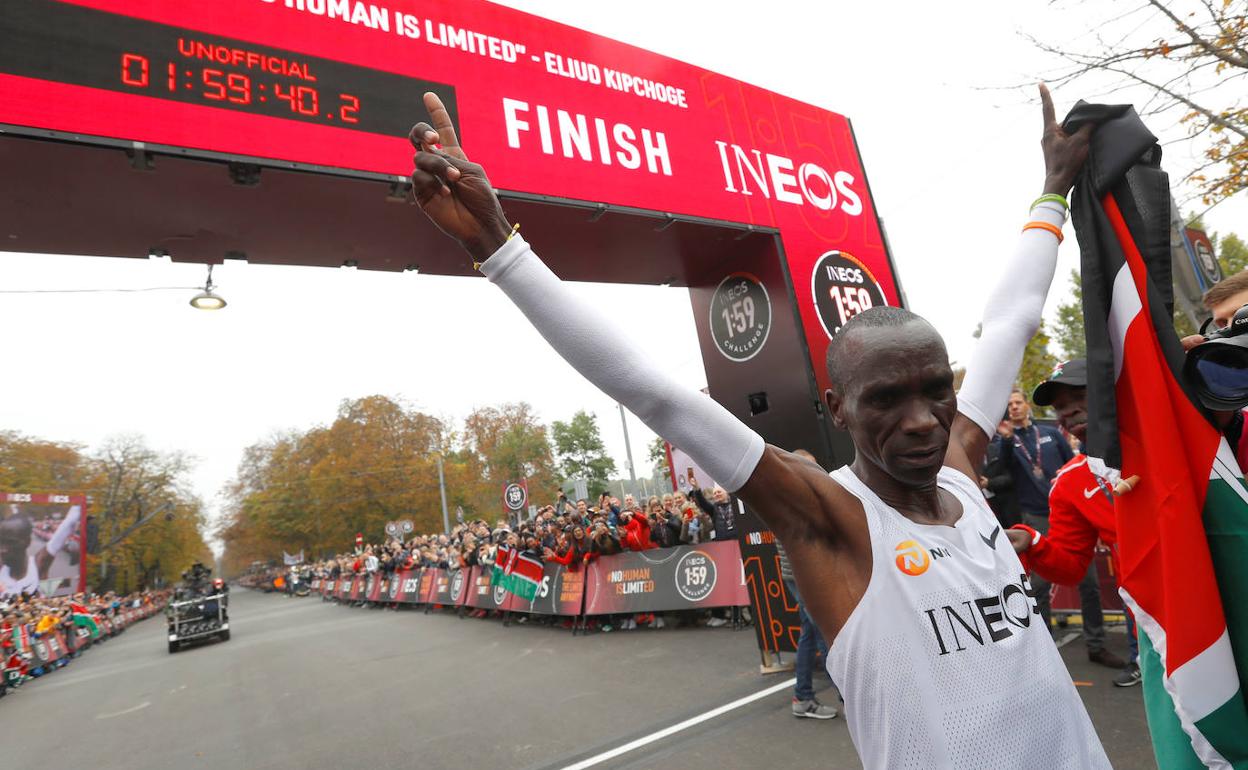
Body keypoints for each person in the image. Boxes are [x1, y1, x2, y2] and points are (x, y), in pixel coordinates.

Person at [407, 85, 1109, 767]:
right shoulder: (829, 516)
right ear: (837, 408)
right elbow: (654, 393)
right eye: (886, 400)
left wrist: (1053, 189)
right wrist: (500, 245)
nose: (922, 420)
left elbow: (1011, 321)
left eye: (935, 391)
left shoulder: (960, 469)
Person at [1008, 360, 1138, 686]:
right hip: (1154, 623)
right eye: (1060, 406)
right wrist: (1033, 542)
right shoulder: (1070, 482)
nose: (1069, 411)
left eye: (1080, 396)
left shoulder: (1166, 438)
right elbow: (1070, 568)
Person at [779, 449, 838, 720]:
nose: (814, 471)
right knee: (825, 634)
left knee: (810, 634)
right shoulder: (791, 496)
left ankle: (802, 697)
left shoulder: (790, 494)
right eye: (808, 466)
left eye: (814, 466)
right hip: (802, 575)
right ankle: (848, 697)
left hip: (799, 574)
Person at [0, 505, 82, 598]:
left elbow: (69, 522)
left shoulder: (38, 565)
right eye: (1, 542)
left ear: (27, 542)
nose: (3, 550)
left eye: (11, 542)